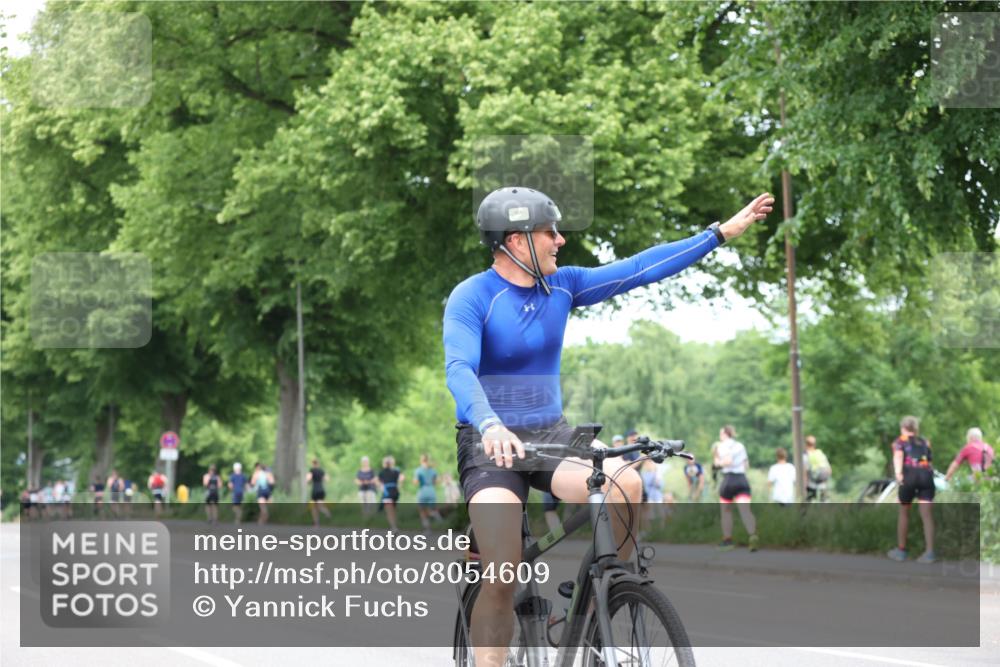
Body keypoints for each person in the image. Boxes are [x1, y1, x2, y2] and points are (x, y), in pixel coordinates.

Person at [444, 185, 773, 664]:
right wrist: (491, 424)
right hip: (488, 441)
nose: (560, 240)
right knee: (501, 573)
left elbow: (639, 269)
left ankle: (606, 595)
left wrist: (718, 234)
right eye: (549, 232)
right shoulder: (473, 297)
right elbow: (459, 370)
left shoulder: (564, 285)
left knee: (625, 484)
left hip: (550, 435)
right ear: (515, 241)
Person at [887, 416, 936, 563]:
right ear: (916, 429)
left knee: (904, 513)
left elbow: (898, 455)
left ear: (903, 428)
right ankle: (929, 552)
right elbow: (927, 461)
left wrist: (898, 474)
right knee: (927, 515)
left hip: (909, 477)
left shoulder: (899, 441)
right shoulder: (924, 442)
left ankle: (901, 550)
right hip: (926, 477)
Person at [713, 425, 759, 551]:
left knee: (726, 512)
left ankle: (727, 541)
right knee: (745, 511)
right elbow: (746, 464)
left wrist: (717, 461)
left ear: (724, 434)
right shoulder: (740, 445)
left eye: (720, 434)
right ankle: (753, 535)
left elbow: (726, 461)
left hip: (728, 480)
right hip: (741, 480)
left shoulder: (721, 446)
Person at [413, 454, 440, 534]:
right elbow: (436, 482)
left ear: (421, 460)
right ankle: (434, 513)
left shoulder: (418, 470)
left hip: (423, 491)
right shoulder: (433, 470)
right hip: (431, 491)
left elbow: (416, 482)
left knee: (422, 511)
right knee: (429, 508)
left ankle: (427, 529)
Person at [377, 456, 404, 532]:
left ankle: (394, 527)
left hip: (387, 492)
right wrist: (399, 485)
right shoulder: (396, 471)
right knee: (393, 509)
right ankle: (394, 526)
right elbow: (402, 478)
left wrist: (381, 487)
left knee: (389, 511)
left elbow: (377, 481)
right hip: (395, 491)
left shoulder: (382, 472)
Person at [804, 435, 833, 502]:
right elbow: (829, 470)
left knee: (808, 503)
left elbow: (805, 472)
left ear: (806, 444)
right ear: (814, 444)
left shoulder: (806, 456)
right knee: (823, 502)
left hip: (811, 484)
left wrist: (805, 485)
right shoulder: (820, 454)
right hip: (823, 484)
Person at [307, 458, 331, 527]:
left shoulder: (311, 470)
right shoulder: (321, 471)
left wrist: (308, 482)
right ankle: (326, 512)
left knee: (314, 507)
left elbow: (308, 478)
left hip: (315, 490)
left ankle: (316, 522)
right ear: (318, 463)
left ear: (312, 463)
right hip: (321, 490)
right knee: (320, 505)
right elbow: (327, 479)